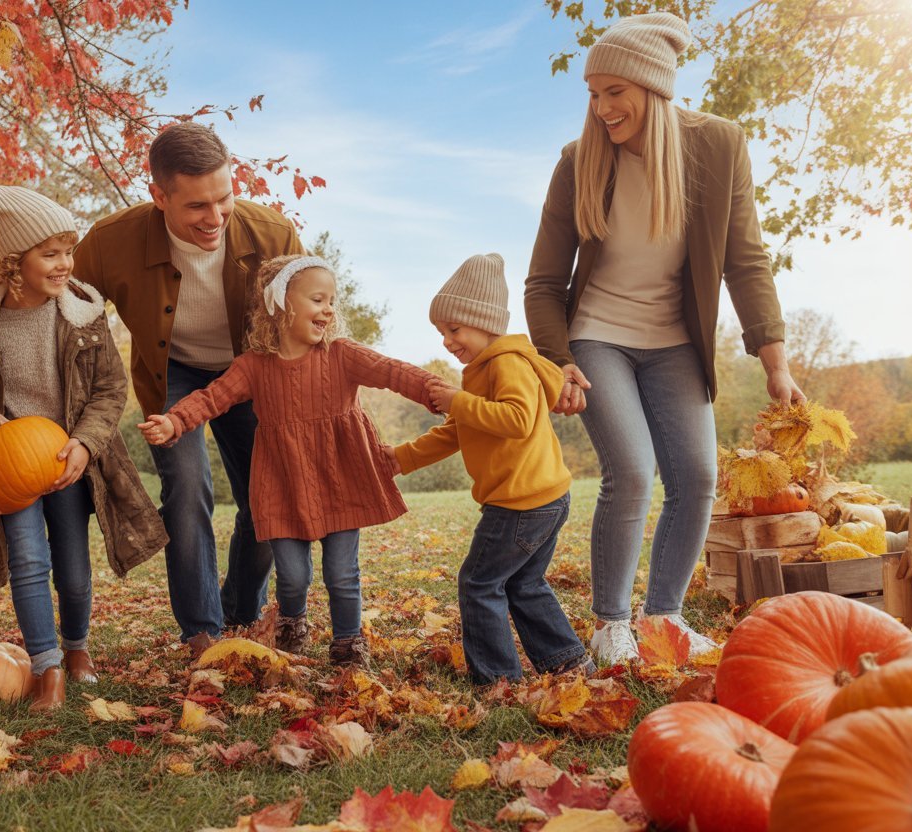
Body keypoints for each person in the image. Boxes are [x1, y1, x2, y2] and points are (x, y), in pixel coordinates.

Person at [524, 13, 805, 664]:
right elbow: (543, 282)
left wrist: (775, 361)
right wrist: (559, 360)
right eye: (592, 95)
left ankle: (663, 620)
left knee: (698, 476)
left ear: (652, 88)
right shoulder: (578, 163)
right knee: (630, 470)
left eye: (613, 92)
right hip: (597, 336)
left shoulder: (718, 145)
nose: (600, 109)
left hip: (674, 339)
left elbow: (747, 260)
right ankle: (611, 626)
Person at [0, 185, 168, 711]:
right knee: (28, 560)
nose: (66, 263)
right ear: (14, 261)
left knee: (73, 567)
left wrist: (86, 442)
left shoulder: (83, 317)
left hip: (67, 460)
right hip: (5, 467)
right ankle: (47, 670)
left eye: (69, 250)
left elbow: (110, 390)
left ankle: (78, 648)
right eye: (51, 253)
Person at [140, 254, 439, 666]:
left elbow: (394, 372)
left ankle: (349, 645)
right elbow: (214, 397)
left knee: (341, 573)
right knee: (294, 577)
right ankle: (291, 622)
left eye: (332, 300)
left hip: (340, 478)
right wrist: (176, 421)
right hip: (282, 483)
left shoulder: (342, 354)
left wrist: (439, 393)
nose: (329, 308)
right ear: (281, 305)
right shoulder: (254, 367)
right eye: (318, 299)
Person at [74, 123, 305, 652]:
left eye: (224, 198)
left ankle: (241, 613)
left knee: (267, 497)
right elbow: (66, 315)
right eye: (197, 206)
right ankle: (201, 631)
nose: (215, 217)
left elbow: (308, 316)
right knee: (187, 489)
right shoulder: (112, 243)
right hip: (173, 373)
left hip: (251, 372)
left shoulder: (273, 235)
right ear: (159, 196)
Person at [389, 254, 595, 685]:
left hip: (520, 502)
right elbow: (457, 431)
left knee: (479, 584)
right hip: (544, 498)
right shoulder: (484, 370)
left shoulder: (507, 364)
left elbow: (517, 420)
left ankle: (498, 681)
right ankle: (568, 662)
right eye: (442, 332)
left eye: (454, 329)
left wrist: (458, 401)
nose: (447, 341)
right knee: (524, 584)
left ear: (483, 322)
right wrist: (401, 458)